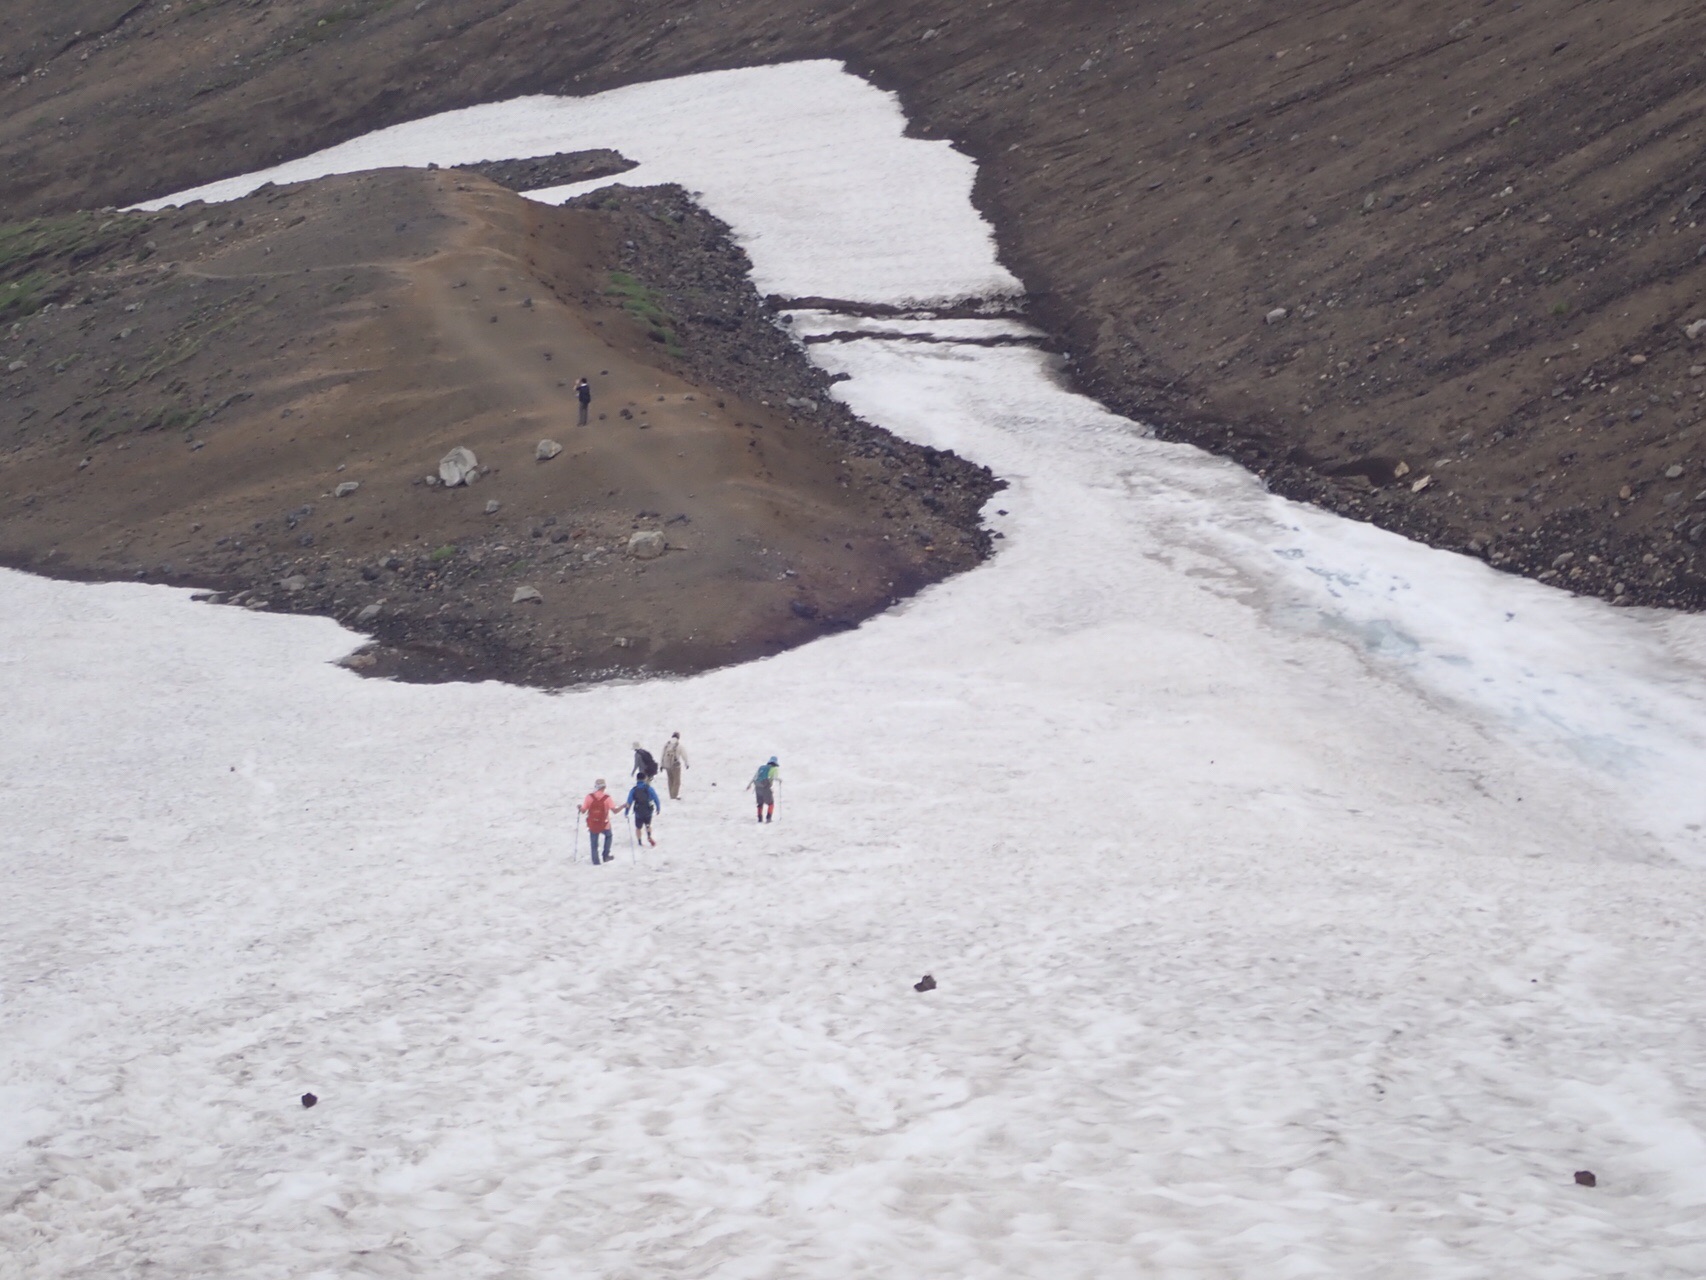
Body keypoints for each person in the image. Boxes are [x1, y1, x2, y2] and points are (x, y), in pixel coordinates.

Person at [578, 778, 620, 865]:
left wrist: (579, 807)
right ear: (604, 787)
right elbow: (615, 811)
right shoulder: (607, 798)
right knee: (609, 836)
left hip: (593, 824)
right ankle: (605, 855)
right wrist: (623, 806)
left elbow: (583, 811)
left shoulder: (589, 797)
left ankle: (596, 861)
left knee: (594, 844)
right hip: (604, 823)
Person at [624, 776, 662, 846]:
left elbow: (629, 802)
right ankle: (649, 836)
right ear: (644, 779)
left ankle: (639, 841)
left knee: (638, 827)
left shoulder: (634, 790)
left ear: (637, 779)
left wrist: (626, 812)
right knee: (648, 824)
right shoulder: (649, 788)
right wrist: (658, 808)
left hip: (638, 811)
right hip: (648, 810)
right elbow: (656, 798)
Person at [746, 756, 780, 823]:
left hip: (757, 787)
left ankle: (760, 819)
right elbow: (774, 778)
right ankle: (768, 818)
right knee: (771, 803)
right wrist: (780, 780)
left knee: (760, 803)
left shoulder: (761, 767)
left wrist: (749, 785)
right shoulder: (774, 769)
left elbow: (754, 777)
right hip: (766, 787)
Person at [660, 732, 689, 800]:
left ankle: (671, 795)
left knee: (670, 780)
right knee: (677, 781)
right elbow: (684, 755)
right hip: (675, 765)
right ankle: (674, 796)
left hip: (667, 765)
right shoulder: (679, 746)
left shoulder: (666, 745)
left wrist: (661, 765)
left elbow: (662, 755)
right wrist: (686, 763)